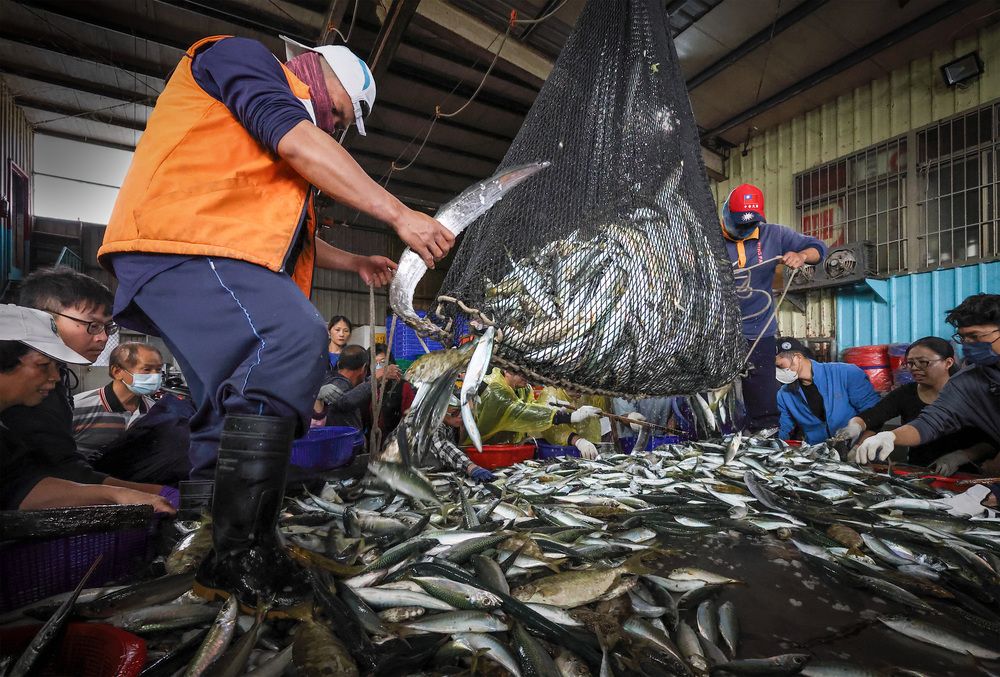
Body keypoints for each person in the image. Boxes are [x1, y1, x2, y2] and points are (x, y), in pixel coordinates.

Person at [97, 35, 456, 610]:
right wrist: (398, 213)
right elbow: (296, 138)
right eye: (339, 112)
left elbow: (289, 235)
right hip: (186, 243)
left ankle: (201, 545)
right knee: (292, 336)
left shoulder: (272, 151)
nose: (336, 126)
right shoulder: (244, 60)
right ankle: (244, 553)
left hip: (198, 254)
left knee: (224, 402)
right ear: (319, 71)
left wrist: (353, 260)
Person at [1, 269, 173, 504]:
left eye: (107, 327)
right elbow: (54, 472)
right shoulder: (36, 397)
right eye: (92, 325)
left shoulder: (53, 385)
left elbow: (22, 484)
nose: (102, 338)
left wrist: (127, 493)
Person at [721, 184, 827, 432]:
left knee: (762, 396)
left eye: (749, 226)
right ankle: (715, 437)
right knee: (713, 395)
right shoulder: (709, 235)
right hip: (719, 331)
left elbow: (818, 248)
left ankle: (764, 439)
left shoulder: (774, 234)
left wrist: (801, 256)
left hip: (759, 331)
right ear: (725, 212)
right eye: (739, 224)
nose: (743, 231)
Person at [854, 294, 1000, 467]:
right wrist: (890, 436)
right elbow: (931, 422)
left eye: (975, 336)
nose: (967, 344)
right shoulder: (966, 383)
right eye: (963, 338)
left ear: (948, 362)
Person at [837, 337, 994, 474]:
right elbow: (873, 415)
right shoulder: (905, 394)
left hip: (971, 474)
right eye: (910, 363)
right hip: (920, 471)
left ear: (948, 362)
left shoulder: (969, 393)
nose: (915, 368)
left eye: (924, 362)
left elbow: (992, 439)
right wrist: (855, 426)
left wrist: (962, 456)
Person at [73, 342, 192, 484]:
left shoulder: (155, 412)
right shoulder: (79, 407)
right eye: (146, 370)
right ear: (117, 372)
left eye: (158, 370)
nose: (155, 376)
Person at [776, 337, 880, 444]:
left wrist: (860, 445)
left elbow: (873, 412)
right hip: (818, 453)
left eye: (780, 366)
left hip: (856, 446)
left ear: (798, 357)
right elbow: (783, 429)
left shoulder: (846, 373)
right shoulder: (784, 395)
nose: (777, 372)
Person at [474, 368, 600, 446]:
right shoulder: (493, 388)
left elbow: (531, 407)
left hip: (510, 448)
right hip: (483, 447)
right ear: (507, 371)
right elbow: (521, 412)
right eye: (522, 374)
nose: (528, 379)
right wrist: (569, 417)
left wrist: (548, 407)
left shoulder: (525, 388)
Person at [316, 344, 401, 431]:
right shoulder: (338, 384)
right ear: (364, 368)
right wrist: (375, 379)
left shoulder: (329, 378)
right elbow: (344, 401)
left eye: (382, 362)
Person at [539, 386, 609, 459]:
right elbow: (550, 428)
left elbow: (603, 408)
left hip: (592, 447)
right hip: (563, 452)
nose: (580, 392)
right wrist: (579, 441)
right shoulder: (551, 393)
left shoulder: (588, 392)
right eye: (574, 388)